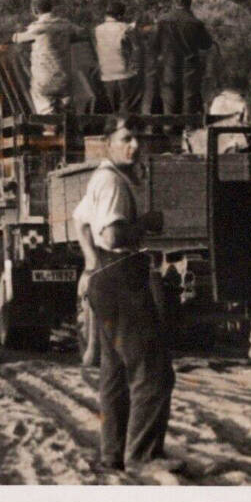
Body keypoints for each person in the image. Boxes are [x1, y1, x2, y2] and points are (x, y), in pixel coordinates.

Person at [73, 115, 175, 473]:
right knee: (153, 370)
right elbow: (115, 236)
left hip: (106, 276)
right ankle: (143, 456)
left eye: (137, 140)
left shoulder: (103, 177)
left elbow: (80, 220)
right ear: (108, 144)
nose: (134, 146)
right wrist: (146, 224)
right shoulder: (114, 182)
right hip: (121, 279)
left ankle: (113, 453)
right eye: (126, 139)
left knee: (114, 373)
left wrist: (90, 262)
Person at [12, 0, 88, 115]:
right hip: (64, 80)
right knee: (67, 102)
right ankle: (66, 116)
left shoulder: (36, 28)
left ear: (35, 10)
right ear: (51, 7)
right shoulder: (65, 25)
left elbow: (17, 38)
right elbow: (82, 33)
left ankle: (49, 122)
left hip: (44, 81)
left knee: (41, 99)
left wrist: (15, 35)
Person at [155, 0, 214, 117]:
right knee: (189, 98)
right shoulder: (196, 23)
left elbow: (154, 45)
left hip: (169, 64)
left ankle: (169, 128)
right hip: (190, 65)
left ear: (175, 2)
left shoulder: (163, 20)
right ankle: (188, 130)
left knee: (169, 98)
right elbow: (206, 44)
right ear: (189, 3)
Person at [95, 1, 140, 113]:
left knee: (110, 107)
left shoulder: (97, 29)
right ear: (120, 15)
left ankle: (112, 127)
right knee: (125, 103)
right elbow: (136, 47)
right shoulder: (125, 27)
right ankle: (123, 126)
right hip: (123, 72)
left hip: (106, 73)